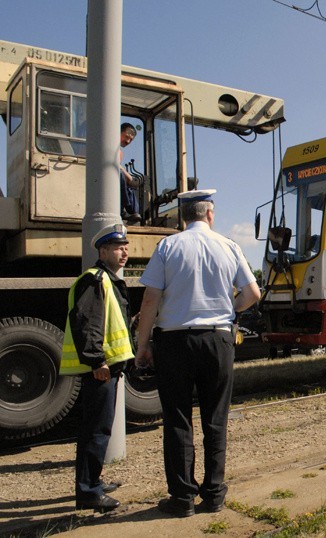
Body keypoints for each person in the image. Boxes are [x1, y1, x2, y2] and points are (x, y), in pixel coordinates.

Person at [135, 189, 260, 517]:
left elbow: (150, 299)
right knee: (215, 420)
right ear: (209, 214)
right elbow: (252, 293)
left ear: (182, 217)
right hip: (218, 341)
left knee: (177, 420)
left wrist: (142, 345)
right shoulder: (229, 246)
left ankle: (182, 499)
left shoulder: (167, 246)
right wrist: (226, 310)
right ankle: (215, 494)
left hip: (174, 343)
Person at [60, 223, 134, 513]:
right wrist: (97, 361)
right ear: (103, 251)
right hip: (101, 369)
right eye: (118, 247)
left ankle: (93, 482)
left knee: (99, 428)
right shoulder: (94, 280)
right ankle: (89, 491)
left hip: (108, 367)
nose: (124, 251)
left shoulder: (107, 280)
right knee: (96, 430)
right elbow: (86, 323)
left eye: (125, 246)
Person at [119, 123, 141, 224]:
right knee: (120, 176)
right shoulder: (109, 146)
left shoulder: (118, 151)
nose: (128, 141)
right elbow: (113, 165)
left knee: (129, 185)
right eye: (127, 137)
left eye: (131, 140)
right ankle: (124, 210)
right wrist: (130, 178)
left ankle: (134, 211)